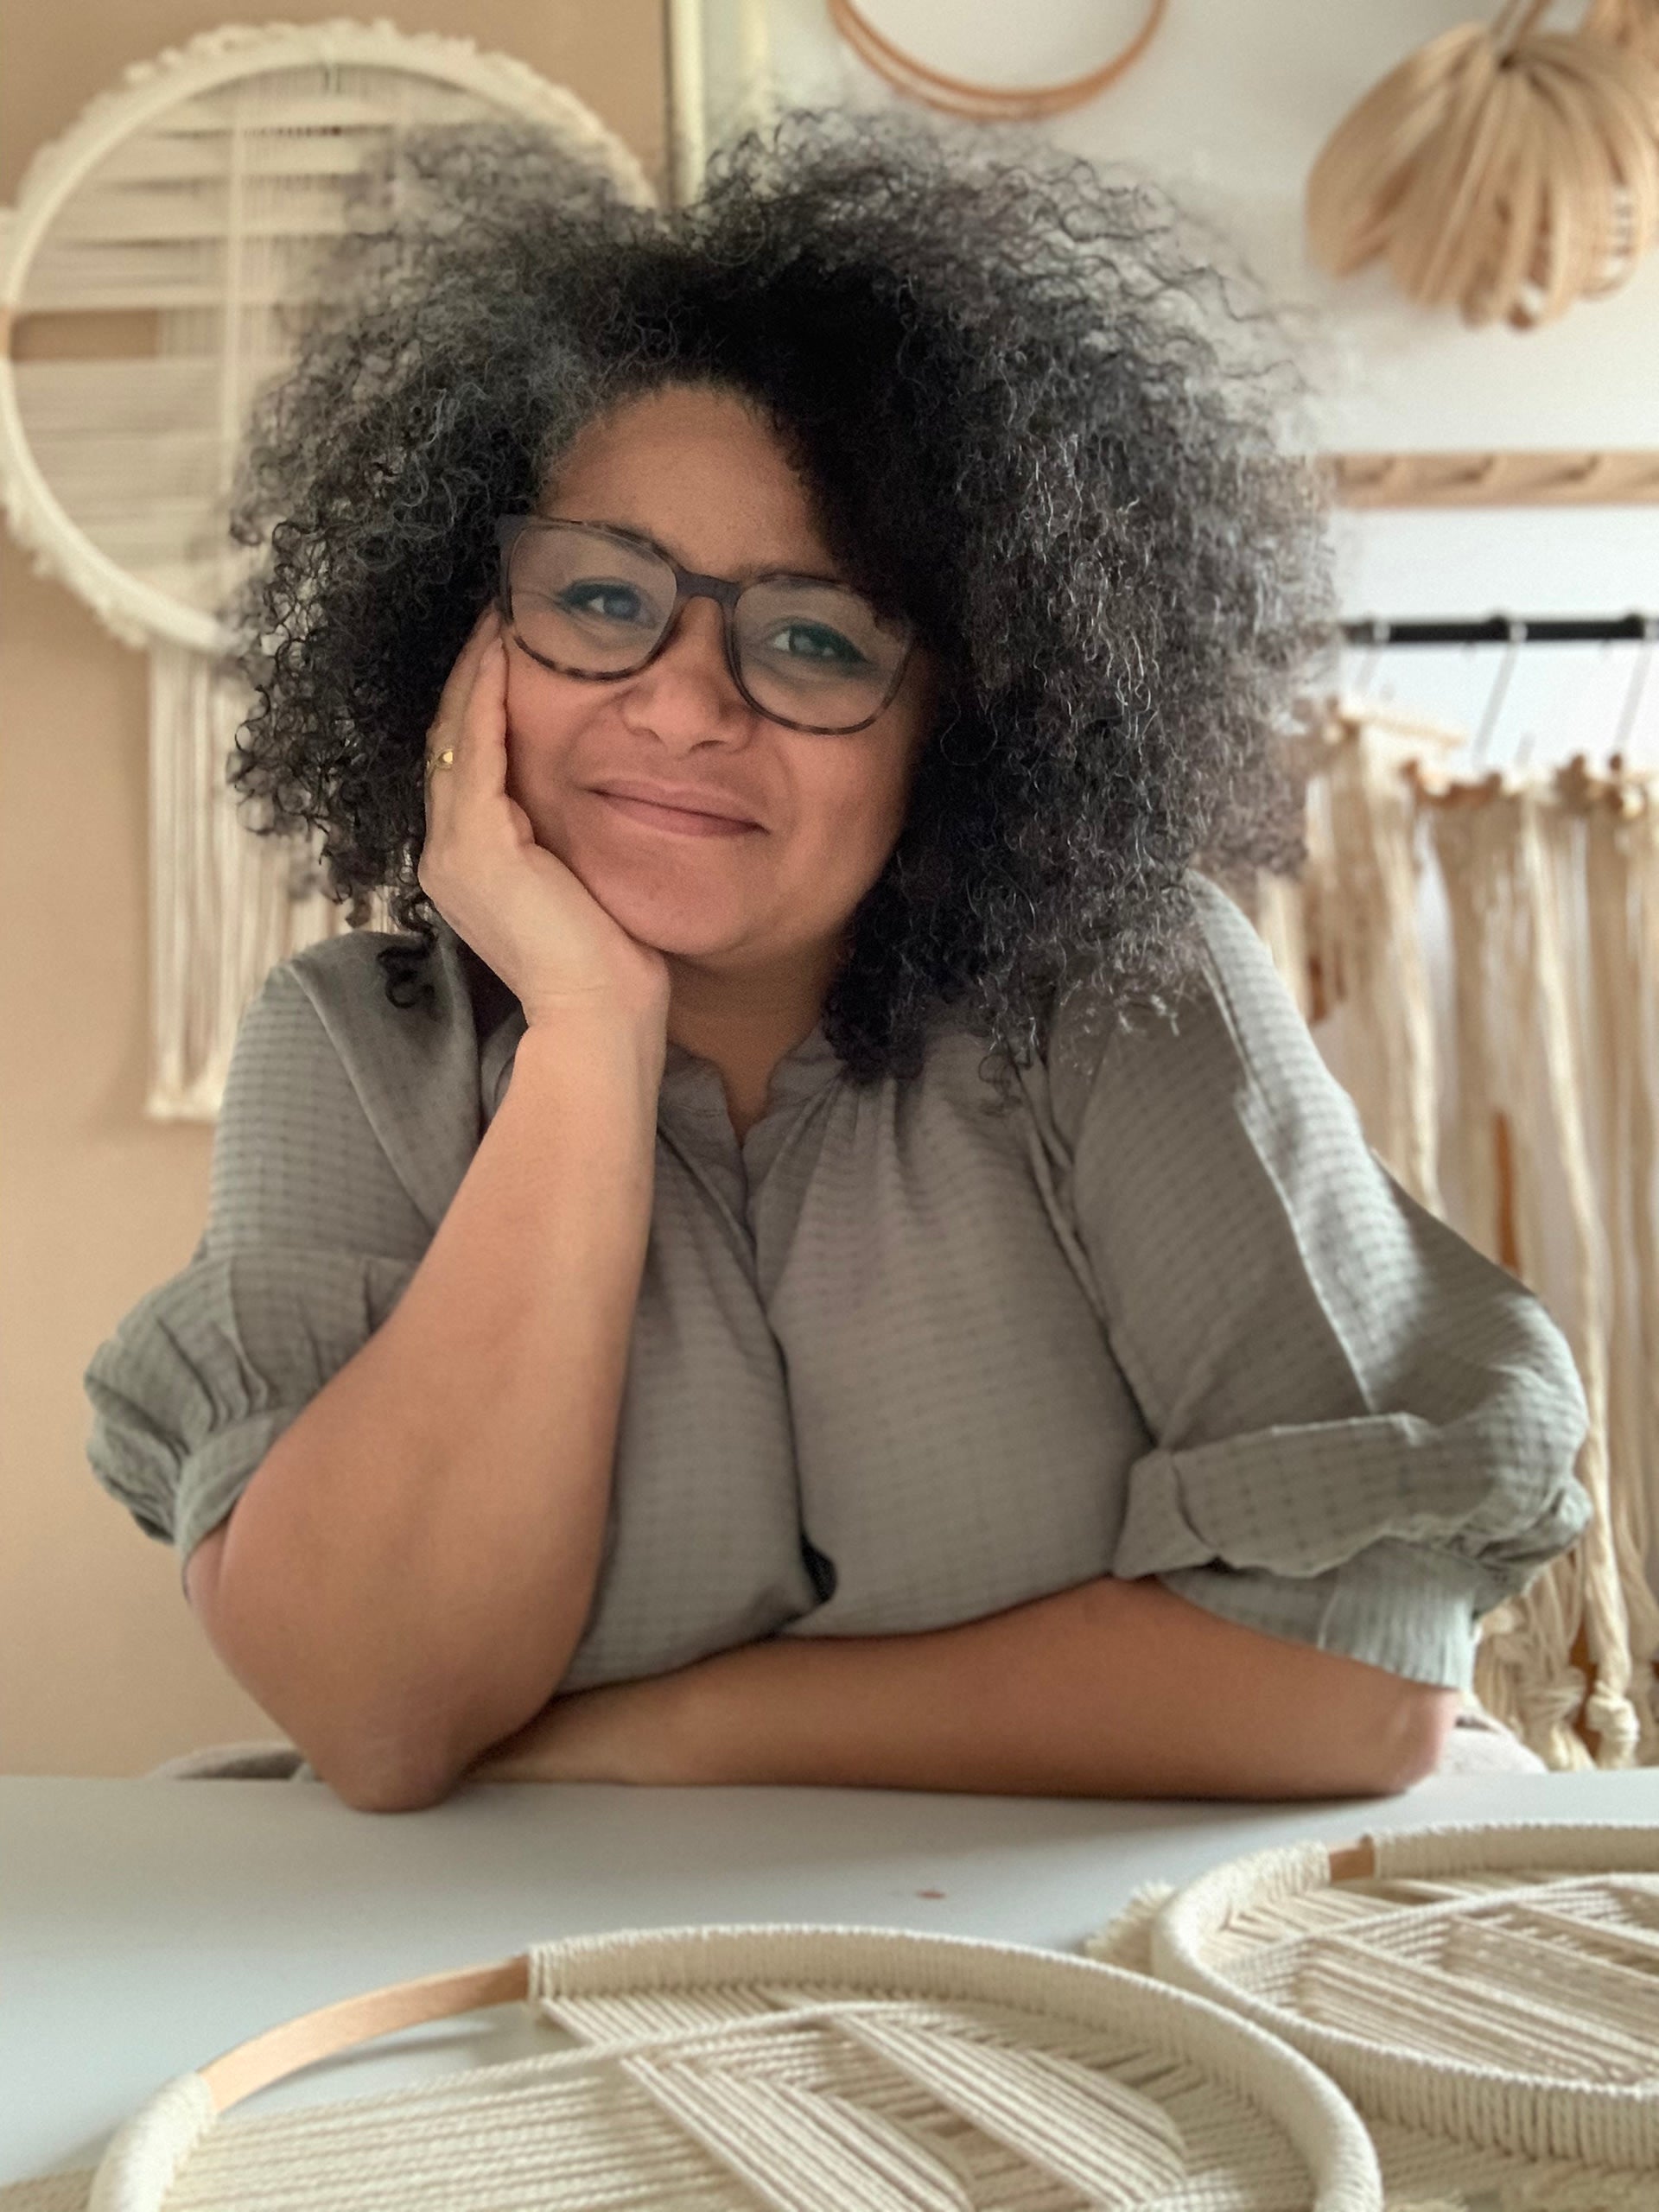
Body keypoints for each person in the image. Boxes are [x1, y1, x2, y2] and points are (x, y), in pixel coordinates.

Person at [82, 113, 1590, 1812]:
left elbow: (1347, 1678)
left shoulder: (1130, 992)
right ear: (461, 641)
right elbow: (375, 1704)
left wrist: (666, 1732)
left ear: (960, 713)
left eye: (809, 636)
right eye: (598, 600)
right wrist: (588, 1031)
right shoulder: (351, 1055)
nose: (683, 701)